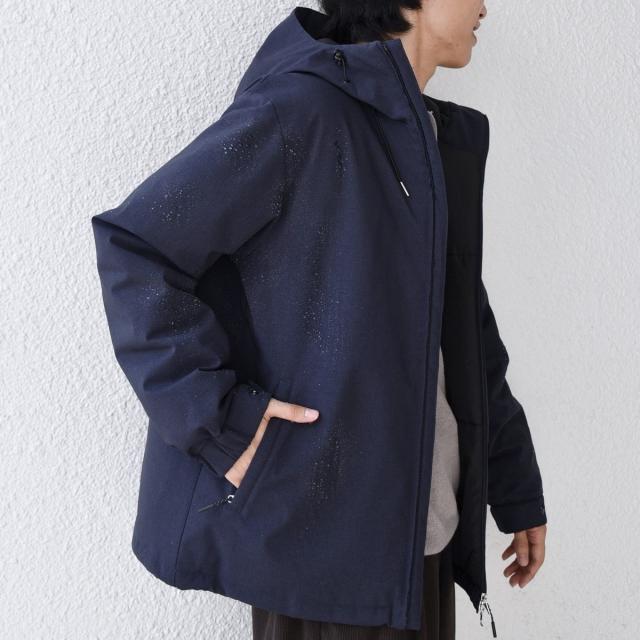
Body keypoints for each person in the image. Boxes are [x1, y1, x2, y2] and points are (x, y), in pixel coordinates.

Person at [91, 2, 547, 639]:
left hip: (422, 536)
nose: (484, 6)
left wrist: (514, 481)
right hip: (320, 543)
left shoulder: (429, 138)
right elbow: (139, 248)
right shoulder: (304, 111)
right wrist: (221, 424)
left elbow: (463, 325)